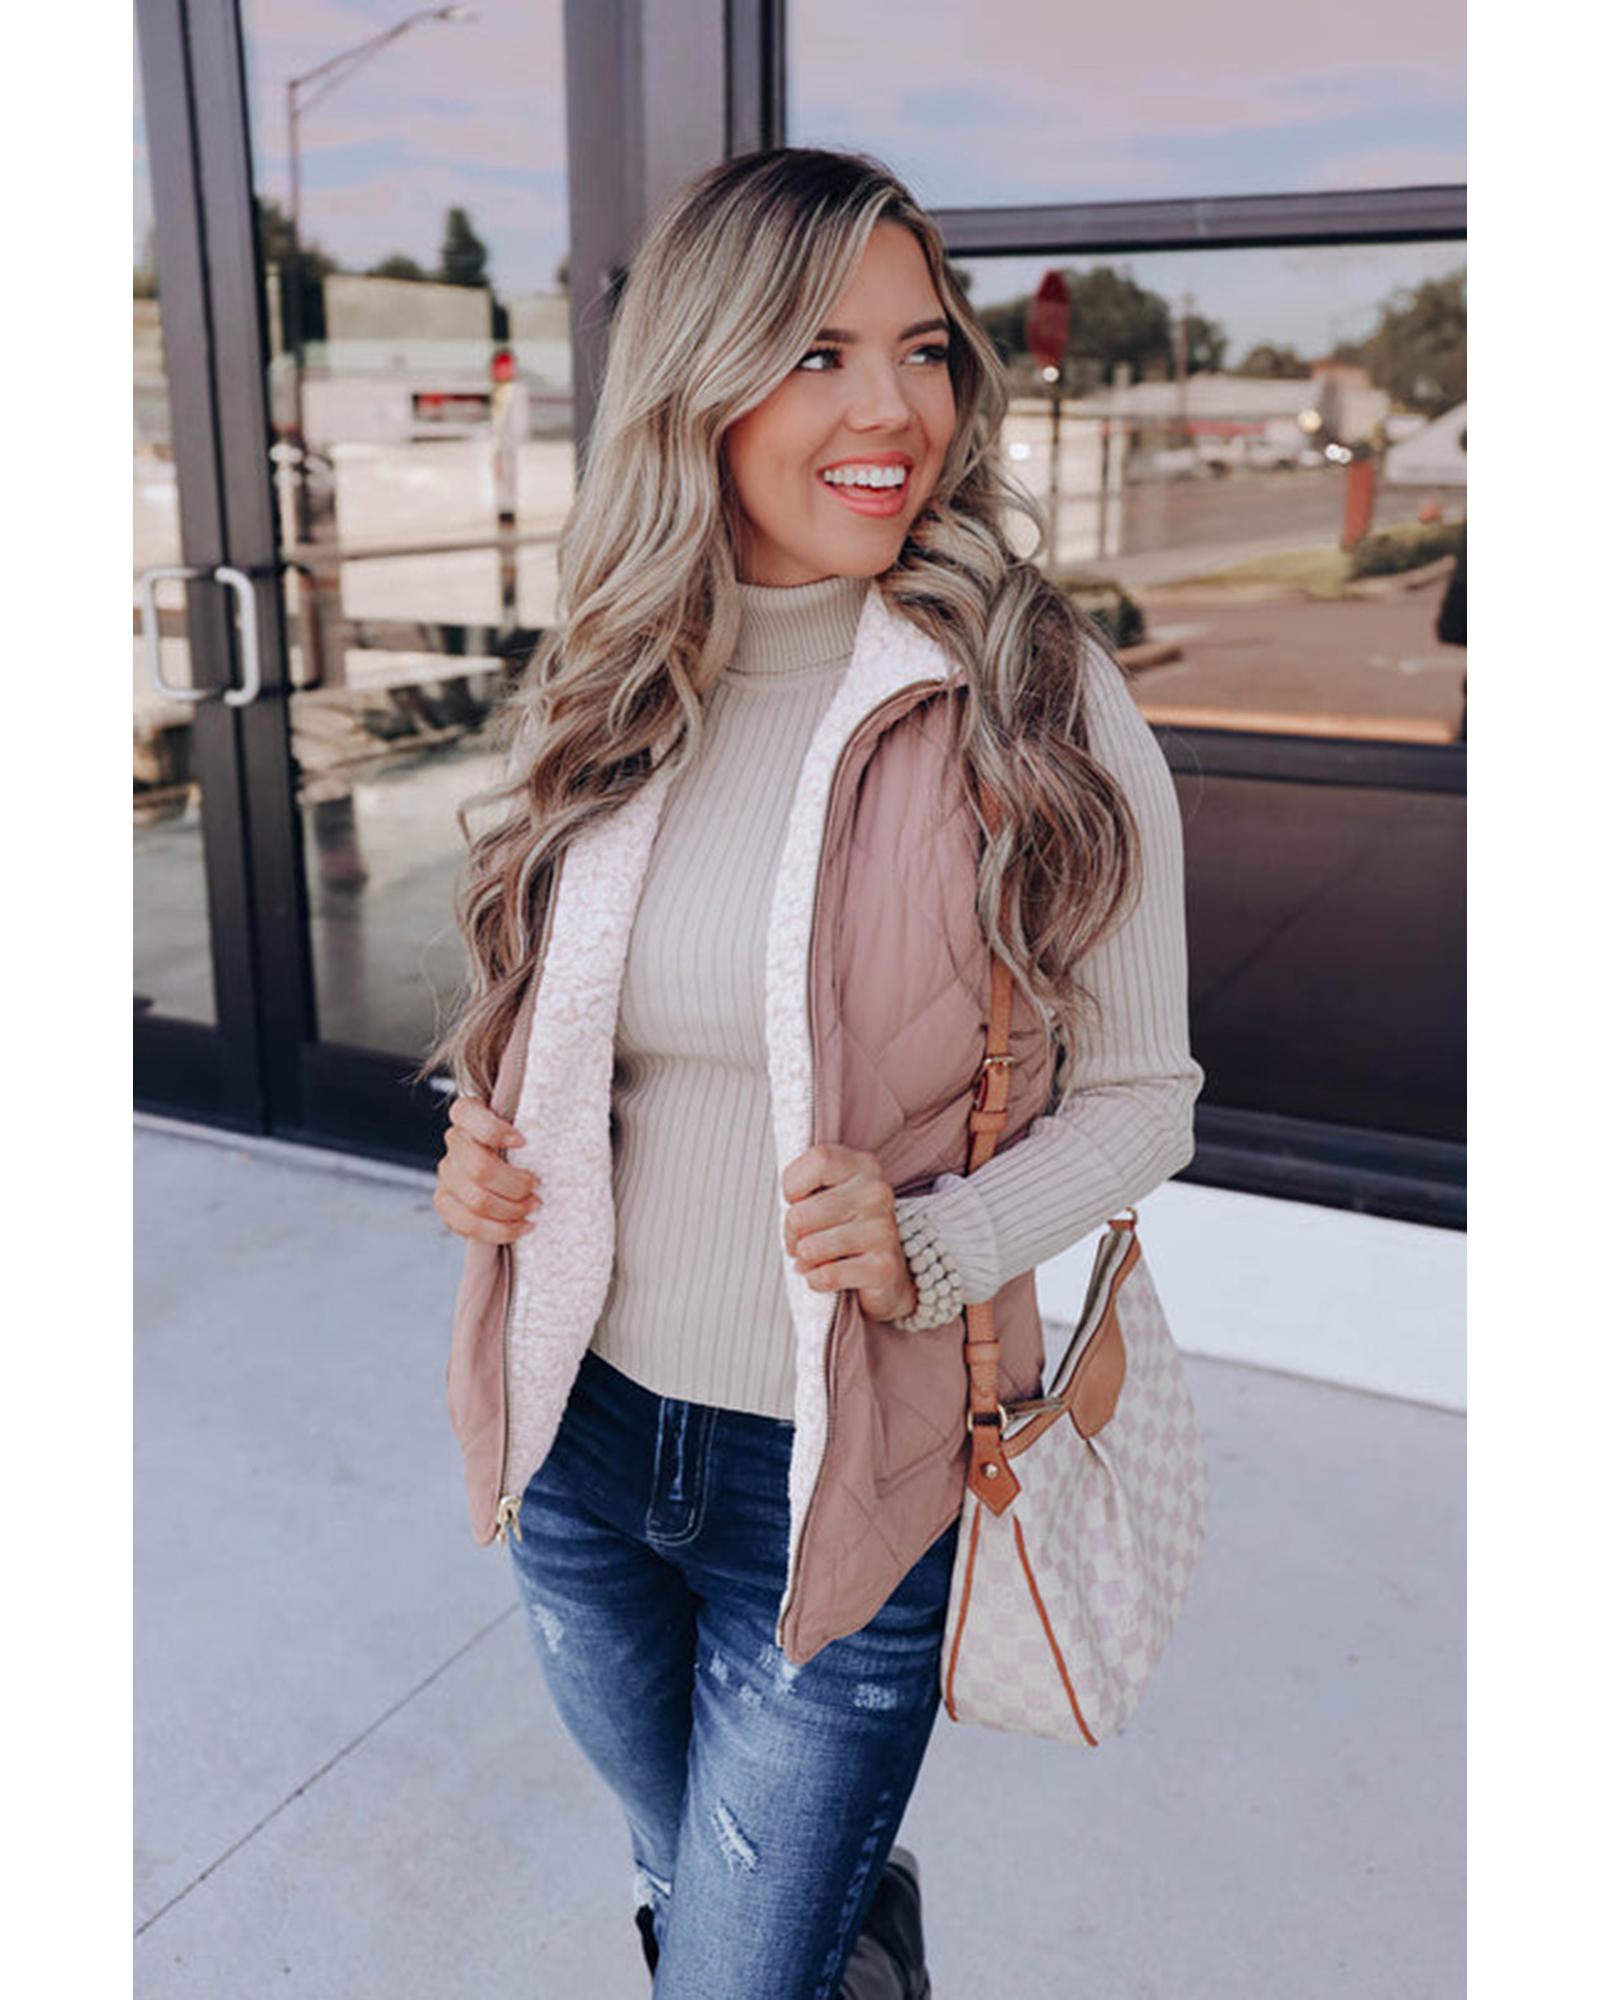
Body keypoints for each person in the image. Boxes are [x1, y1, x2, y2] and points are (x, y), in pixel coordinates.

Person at [417, 147, 1203, 1999]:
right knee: (685, 1877)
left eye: (922, 350)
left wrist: (940, 1240)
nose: (892, 411)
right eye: (818, 354)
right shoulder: (607, 675)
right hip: (581, 1440)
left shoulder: (1031, 689)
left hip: (845, 1471)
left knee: (729, 1965)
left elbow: (1146, 1095)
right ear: (700, 381)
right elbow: (549, 1023)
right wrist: (479, 1147)